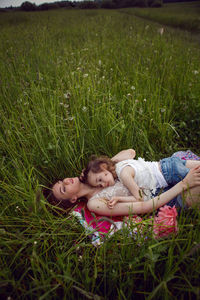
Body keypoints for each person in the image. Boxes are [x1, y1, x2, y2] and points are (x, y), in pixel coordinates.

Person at [47, 155, 200, 217]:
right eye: (63, 189)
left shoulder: (94, 175)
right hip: (163, 197)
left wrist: (102, 167)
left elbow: (130, 153)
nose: (66, 181)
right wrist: (184, 184)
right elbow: (144, 207)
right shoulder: (95, 203)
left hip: (158, 174)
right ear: (73, 199)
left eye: (62, 181)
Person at [80, 155, 200, 209]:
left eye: (100, 179)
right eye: (99, 185)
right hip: (167, 165)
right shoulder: (119, 166)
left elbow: (140, 198)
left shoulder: (124, 175)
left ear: (104, 167)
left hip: (168, 173)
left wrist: (120, 199)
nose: (102, 185)